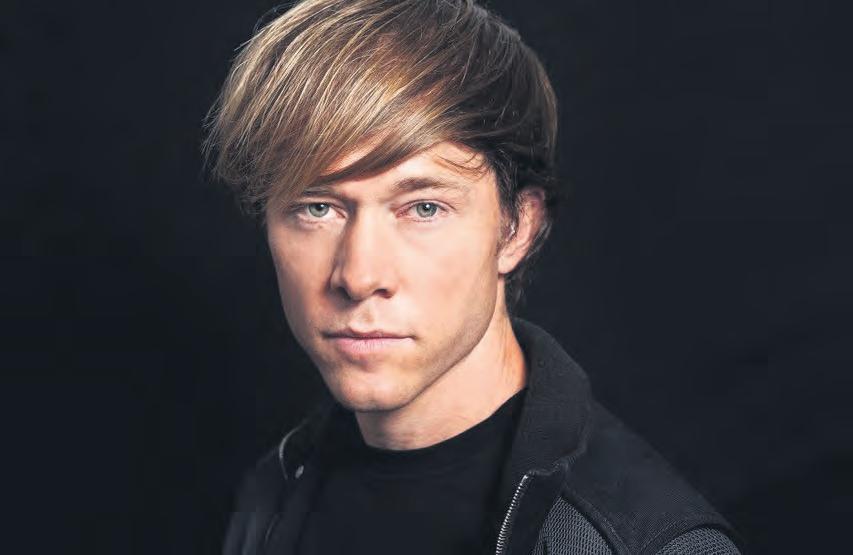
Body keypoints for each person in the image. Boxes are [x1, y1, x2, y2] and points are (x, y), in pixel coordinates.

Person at [202, 1, 744, 553]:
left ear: (516, 228)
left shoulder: (645, 543)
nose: (360, 276)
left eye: (424, 208)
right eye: (318, 208)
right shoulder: (275, 492)